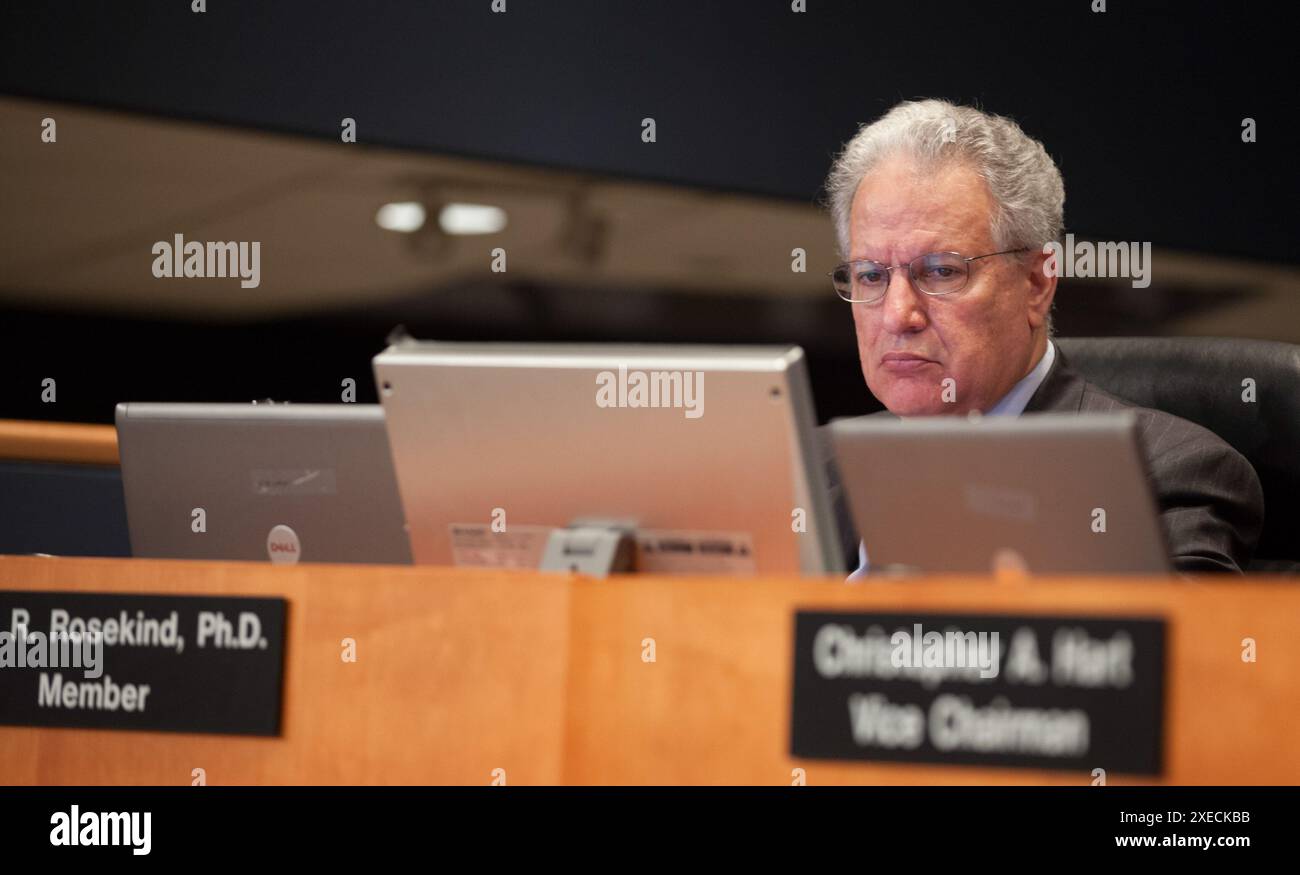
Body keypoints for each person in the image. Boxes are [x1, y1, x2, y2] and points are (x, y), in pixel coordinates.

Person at [822, 99, 1263, 574]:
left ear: (1036, 284)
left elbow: (1178, 646)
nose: (897, 314)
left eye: (942, 271)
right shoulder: (807, 468)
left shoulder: (1169, 477)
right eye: (870, 275)